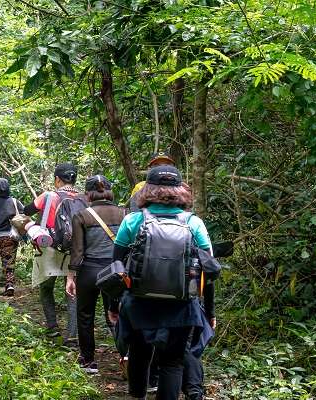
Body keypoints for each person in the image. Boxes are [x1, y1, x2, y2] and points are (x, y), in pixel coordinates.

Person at [110, 165, 213, 400]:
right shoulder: (194, 223)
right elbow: (208, 269)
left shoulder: (133, 221)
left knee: (139, 354)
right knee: (173, 362)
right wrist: (210, 309)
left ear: (147, 189)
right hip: (182, 305)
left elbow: (116, 265)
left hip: (138, 302)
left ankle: (137, 396)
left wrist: (114, 306)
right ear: (181, 190)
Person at [65, 175, 125, 373]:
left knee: (85, 316)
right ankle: (126, 356)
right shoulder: (125, 213)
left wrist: (71, 277)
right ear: (109, 190)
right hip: (115, 272)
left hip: (89, 272)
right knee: (117, 315)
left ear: (88, 193)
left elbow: (77, 251)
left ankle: (88, 361)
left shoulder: (82, 215)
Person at [23, 163, 80, 339]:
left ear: (57, 179)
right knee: (72, 291)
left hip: (49, 246)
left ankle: (52, 326)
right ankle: (72, 335)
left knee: (46, 287)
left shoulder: (49, 196)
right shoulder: (83, 198)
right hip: (75, 250)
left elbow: (27, 210)